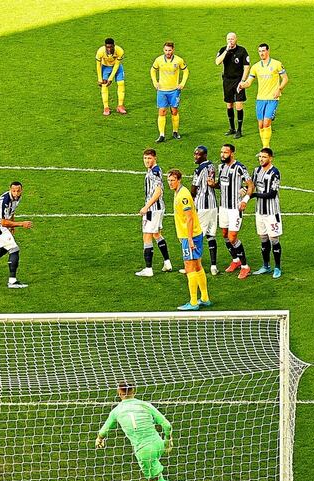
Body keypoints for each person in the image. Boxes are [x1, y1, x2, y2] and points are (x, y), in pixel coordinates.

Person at [95, 382, 205, 481]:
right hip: (158, 444)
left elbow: (103, 431)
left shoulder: (116, 411)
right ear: (134, 391)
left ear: (119, 394)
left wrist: (99, 439)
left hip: (144, 452)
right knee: (155, 471)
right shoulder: (145, 405)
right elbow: (167, 425)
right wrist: (168, 440)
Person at [169, 169, 211, 310]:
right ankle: (204, 298)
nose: (170, 183)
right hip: (193, 235)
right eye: (169, 180)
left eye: (173, 180)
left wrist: (189, 239)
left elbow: (189, 218)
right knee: (198, 265)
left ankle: (193, 302)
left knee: (189, 267)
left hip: (191, 236)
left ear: (179, 180)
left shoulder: (183, 195)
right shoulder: (179, 192)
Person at [0, 182, 32, 288]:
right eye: (14, 191)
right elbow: (3, 222)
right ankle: (12, 281)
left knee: (4, 247)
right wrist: (21, 224)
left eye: (18, 191)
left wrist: (12, 225)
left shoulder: (17, 198)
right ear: (10, 190)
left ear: (21, 190)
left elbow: (12, 212)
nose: (16, 193)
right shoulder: (6, 201)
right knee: (14, 249)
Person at [241, 148, 283, 278]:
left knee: (274, 239)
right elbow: (251, 185)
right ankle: (266, 266)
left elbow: (272, 193)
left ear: (270, 158)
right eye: (260, 157)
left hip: (271, 212)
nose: (261, 159)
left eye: (264, 157)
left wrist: (253, 195)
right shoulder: (256, 170)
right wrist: (244, 190)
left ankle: (277, 268)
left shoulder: (275, 173)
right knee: (263, 238)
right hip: (260, 211)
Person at [238, 43, 288, 149]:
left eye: (263, 51)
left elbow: (285, 78)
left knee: (266, 123)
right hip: (260, 99)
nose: (261, 53)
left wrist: (279, 89)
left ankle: (266, 148)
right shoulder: (256, 67)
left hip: (272, 98)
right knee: (260, 125)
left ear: (268, 51)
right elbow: (249, 82)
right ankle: (264, 147)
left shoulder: (276, 64)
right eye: (260, 51)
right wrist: (242, 85)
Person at [217, 144, 254, 279]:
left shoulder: (240, 167)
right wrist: (212, 184)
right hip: (223, 207)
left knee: (232, 237)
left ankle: (245, 266)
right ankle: (235, 261)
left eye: (225, 152)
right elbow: (220, 185)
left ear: (232, 153)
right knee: (225, 234)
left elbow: (250, 185)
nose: (222, 155)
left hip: (235, 208)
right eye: (221, 152)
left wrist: (245, 200)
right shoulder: (220, 167)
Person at [136, 149, 173, 277]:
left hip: (153, 209)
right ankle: (167, 263)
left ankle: (148, 269)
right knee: (157, 234)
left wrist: (146, 207)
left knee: (147, 236)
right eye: (145, 158)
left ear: (155, 158)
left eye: (149, 158)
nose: (147, 161)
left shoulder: (154, 173)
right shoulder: (155, 171)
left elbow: (158, 192)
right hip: (158, 208)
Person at [190, 146, 220, 276]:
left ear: (205, 155)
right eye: (195, 154)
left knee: (197, 236)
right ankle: (213, 266)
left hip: (202, 205)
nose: (195, 156)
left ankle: (194, 266)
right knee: (211, 235)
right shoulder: (212, 166)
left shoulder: (199, 169)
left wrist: (191, 200)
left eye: (198, 154)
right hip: (213, 205)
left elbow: (194, 187)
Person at [214, 32, 251, 139]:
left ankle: (239, 130)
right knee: (229, 104)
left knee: (239, 105)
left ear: (236, 40)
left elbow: (247, 66)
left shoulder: (242, 51)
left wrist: (243, 81)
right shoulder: (222, 50)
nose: (230, 41)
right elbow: (217, 62)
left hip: (238, 81)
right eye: (228, 39)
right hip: (227, 81)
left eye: (232, 39)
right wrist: (226, 50)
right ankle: (232, 128)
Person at [151, 42, 188, 143]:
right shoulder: (158, 60)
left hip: (174, 90)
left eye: (169, 50)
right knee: (162, 111)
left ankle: (175, 132)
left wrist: (182, 83)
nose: (168, 52)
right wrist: (155, 82)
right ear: (163, 50)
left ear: (173, 50)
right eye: (166, 50)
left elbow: (186, 71)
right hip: (162, 90)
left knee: (174, 111)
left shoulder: (178, 60)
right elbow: (153, 70)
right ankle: (162, 135)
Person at [96, 38, 127, 116]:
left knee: (121, 83)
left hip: (117, 67)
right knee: (104, 85)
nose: (109, 49)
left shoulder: (120, 51)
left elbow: (117, 65)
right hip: (105, 67)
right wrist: (100, 79)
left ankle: (120, 106)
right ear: (105, 46)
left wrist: (110, 78)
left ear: (114, 45)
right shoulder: (100, 51)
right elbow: (98, 65)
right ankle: (106, 107)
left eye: (111, 47)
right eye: (107, 47)